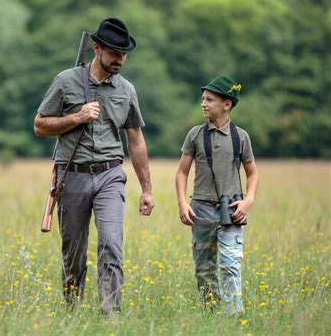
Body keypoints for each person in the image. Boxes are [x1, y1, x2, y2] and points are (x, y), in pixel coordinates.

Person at [34, 18, 154, 315]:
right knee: (73, 253)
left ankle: (110, 315)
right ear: (97, 48)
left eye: (124, 54)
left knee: (112, 244)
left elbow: (136, 141)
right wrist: (76, 117)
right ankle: (72, 312)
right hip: (71, 175)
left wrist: (147, 189)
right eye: (115, 53)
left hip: (111, 175)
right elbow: (40, 126)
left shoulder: (127, 90)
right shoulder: (65, 81)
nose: (120, 60)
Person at [175, 75, 259, 315]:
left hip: (231, 208)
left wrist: (248, 200)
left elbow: (253, 174)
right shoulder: (194, 135)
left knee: (231, 265)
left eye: (209, 100)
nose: (203, 104)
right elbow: (181, 173)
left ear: (227, 104)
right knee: (204, 269)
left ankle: (234, 315)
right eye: (202, 99)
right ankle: (211, 314)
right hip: (199, 209)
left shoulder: (241, 137)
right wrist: (182, 203)